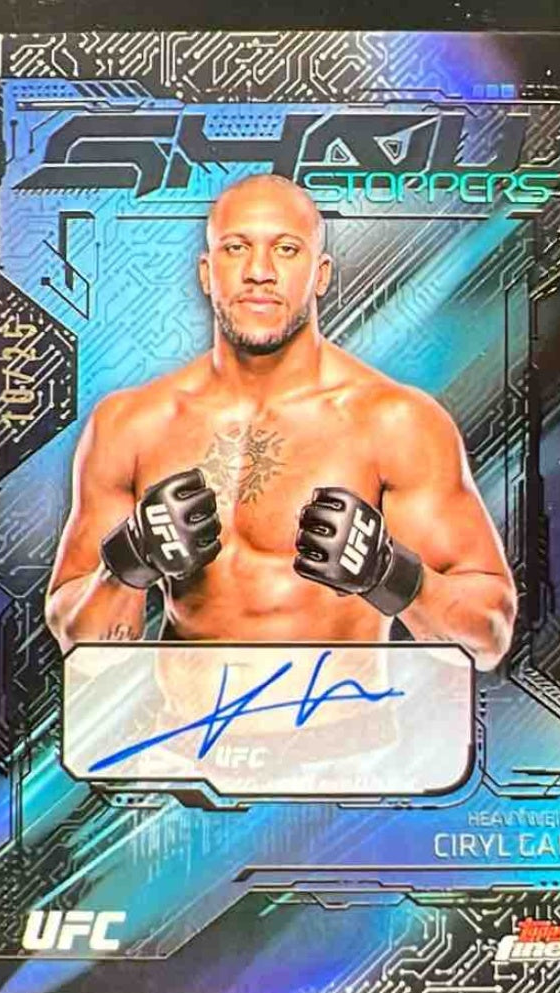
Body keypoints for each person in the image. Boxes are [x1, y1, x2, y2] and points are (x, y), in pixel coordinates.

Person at [45, 174, 516, 672]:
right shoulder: (131, 425)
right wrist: (126, 565)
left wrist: (391, 574)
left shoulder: (395, 424)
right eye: (236, 248)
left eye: (287, 249)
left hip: (342, 722)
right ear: (206, 272)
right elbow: (80, 645)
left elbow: (488, 637)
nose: (259, 272)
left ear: (321, 274)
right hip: (182, 724)